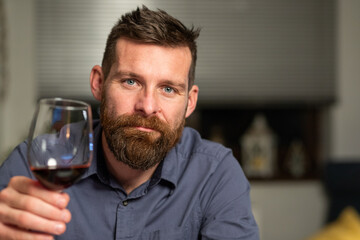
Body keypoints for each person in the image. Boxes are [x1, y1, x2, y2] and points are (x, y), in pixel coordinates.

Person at [0, 6, 259, 240]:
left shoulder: (215, 175)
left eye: (168, 89)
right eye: (130, 82)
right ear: (98, 84)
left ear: (190, 102)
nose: (147, 106)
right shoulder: (33, 165)